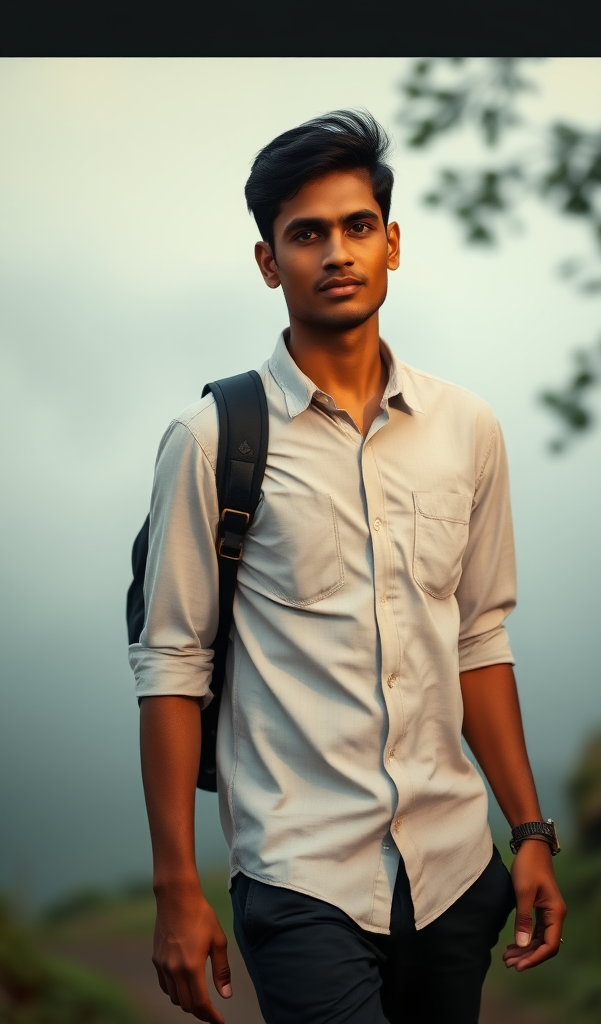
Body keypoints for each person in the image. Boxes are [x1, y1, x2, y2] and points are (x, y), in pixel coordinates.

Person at [130, 110, 566, 1024]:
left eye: (357, 226)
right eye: (307, 234)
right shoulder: (212, 442)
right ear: (268, 261)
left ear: (392, 242)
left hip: (452, 870)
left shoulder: (467, 430)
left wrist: (528, 831)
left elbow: (479, 636)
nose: (337, 252)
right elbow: (171, 664)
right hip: (301, 876)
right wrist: (177, 887)